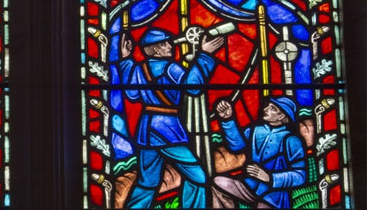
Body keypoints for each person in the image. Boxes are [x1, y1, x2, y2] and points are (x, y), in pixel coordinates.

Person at [120, 29, 224, 208]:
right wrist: (205, 55)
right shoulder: (170, 67)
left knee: (148, 182)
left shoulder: (139, 68)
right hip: (167, 130)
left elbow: (131, 93)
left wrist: (125, 60)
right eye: (165, 43)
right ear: (154, 49)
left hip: (146, 131)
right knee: (198, 177)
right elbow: (192, 87)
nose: (171, 46)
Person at [213, 97, 307, 208]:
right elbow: (237, 146)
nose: (266, 109)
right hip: (249, 186)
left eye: (272, 108)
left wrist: (269, 177)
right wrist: (228, 119)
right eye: (268, 106)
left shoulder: (291, 140)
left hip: (273, 195)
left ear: (282, 116)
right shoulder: (256, 130)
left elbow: (300, 176)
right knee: (217, 182)